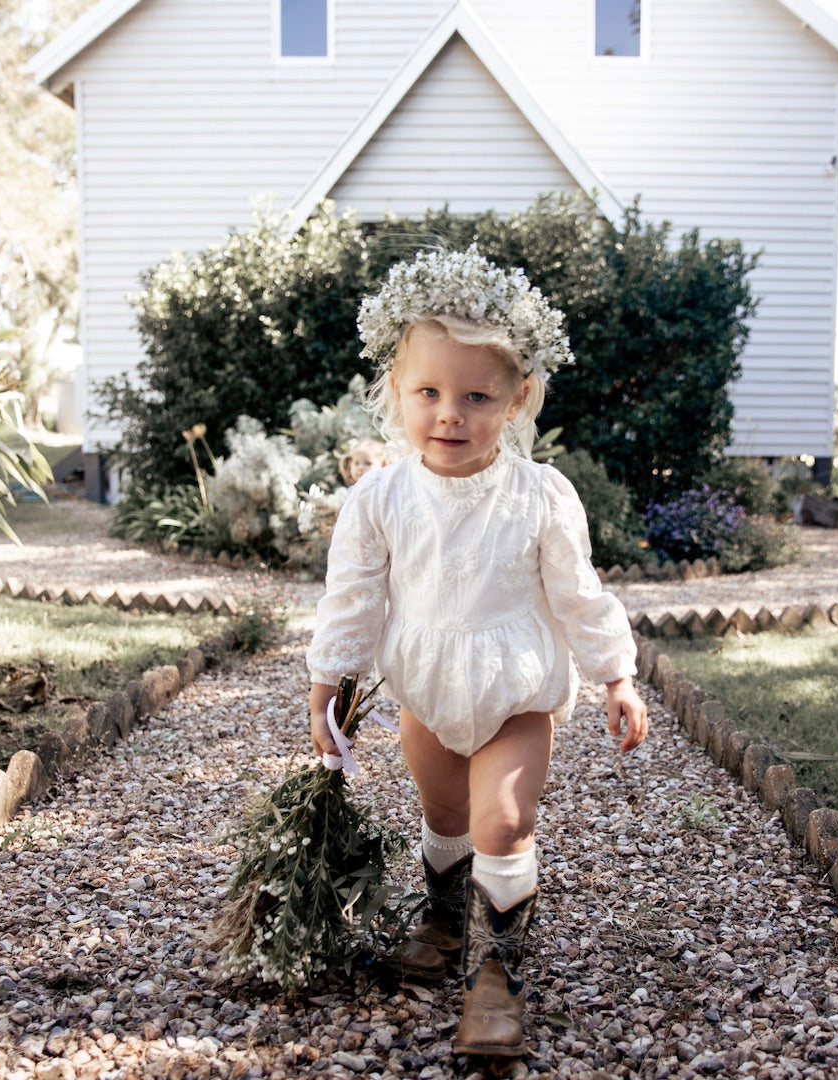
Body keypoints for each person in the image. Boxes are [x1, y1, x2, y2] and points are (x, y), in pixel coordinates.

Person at [306, 246, 647, 1058]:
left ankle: (498, 974)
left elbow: (578, 595)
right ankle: (446, 914)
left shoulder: (541, 496)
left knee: (503, 817)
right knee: (447, 818)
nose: (448, 413)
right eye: (427, 392)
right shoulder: (379, 499)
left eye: (475, 396)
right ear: (396, 394)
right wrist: (329, 686)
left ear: (518, 399)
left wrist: (616, 676)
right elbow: (355, 598)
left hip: (516, 691)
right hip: (424, 688)